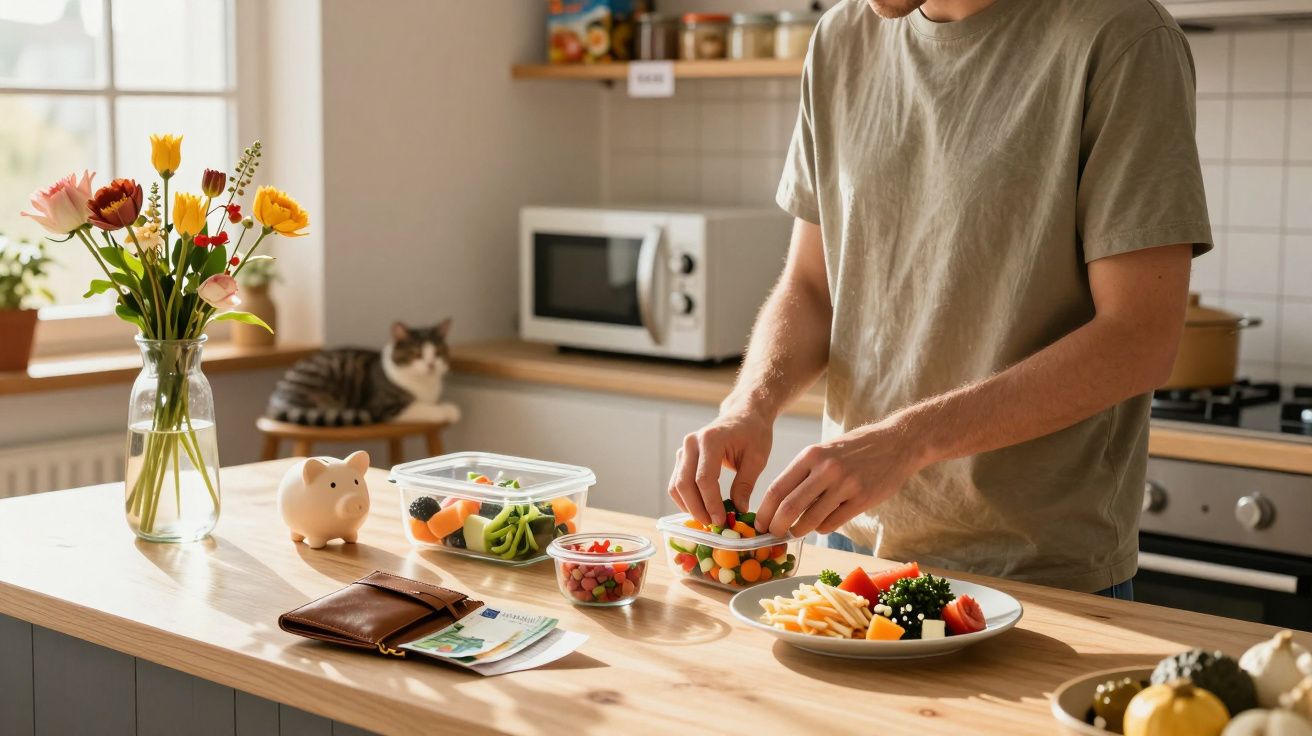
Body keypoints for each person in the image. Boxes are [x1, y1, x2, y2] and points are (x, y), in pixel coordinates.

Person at [666, 0, 1213, 598]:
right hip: (851, 545)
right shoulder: (842, 38)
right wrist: (750, 404)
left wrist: (905, 441)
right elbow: (813, 286)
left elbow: (1139, 338)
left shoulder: (1121, 36)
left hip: (1036, 568)